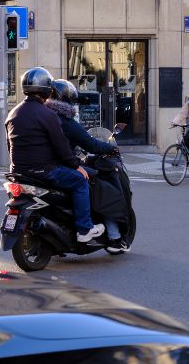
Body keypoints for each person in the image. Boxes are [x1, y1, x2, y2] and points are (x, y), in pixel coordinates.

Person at [7, 68, 104, 243]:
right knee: (81, 181)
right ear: (46, 89)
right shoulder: (48, 115)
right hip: (44, 170)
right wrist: (77, 166)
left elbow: (10, 146)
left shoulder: (13, 114)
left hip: (18, 171)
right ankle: (84, 229)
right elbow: (62, 148)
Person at [47, 78, 128, 251]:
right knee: (100, 185)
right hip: (60, 166)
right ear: (68, 99)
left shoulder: (43, 116)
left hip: (42, 165)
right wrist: (110, 149)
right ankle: (110, 236)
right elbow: (90, 144)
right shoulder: (65, 122)